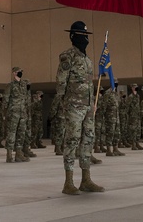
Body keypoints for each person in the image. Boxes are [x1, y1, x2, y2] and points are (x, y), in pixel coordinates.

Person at [55, 21, 103, 195]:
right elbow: (61, 81)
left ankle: (86, 180)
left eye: (86, 35)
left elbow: (88, 84)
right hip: (73, 106)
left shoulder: (86, 59)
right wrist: (63, 103)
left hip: (88, 106)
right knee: (72, 140)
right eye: (82, 35)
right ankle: (68, 182)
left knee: (88, 139)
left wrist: (93, 103)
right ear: (73, 36)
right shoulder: (67, 56)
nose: (85, 39)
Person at [5, 66, 29, 163]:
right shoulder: (10, 85)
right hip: (13, 113)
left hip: (22, 113)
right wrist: (6, 113)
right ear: (14, 73)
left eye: (21, 71)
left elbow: (26, 99)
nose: (20, 73)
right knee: (11, 133)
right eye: (18, 72)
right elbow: (6, 100)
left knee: (21, 133)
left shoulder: (23, 85)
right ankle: (9, 154)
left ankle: (19, 154)